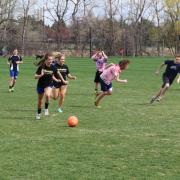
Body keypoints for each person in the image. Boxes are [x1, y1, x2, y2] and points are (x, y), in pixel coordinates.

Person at [35, 53, 67, 120]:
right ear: (46, 60)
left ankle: (46, 109)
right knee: (40, 102)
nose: (50, 61)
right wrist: (40, 75)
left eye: (51, 60)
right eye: (49, 60)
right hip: (40, 85)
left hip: (48, 84)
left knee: (47, 95)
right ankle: (38, 113)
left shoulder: (53, 67)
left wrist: (63, 80)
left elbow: (58, 73)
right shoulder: (41, 67)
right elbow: (35, 76)